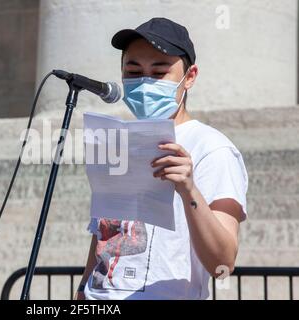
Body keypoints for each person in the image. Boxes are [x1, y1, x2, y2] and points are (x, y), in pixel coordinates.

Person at [76, 17, 248, 300]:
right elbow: (104, 236)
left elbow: (223, 265)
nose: (144, 82)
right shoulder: (116, 140)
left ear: (189, 77)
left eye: (159, 72)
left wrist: (188, 189)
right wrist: (81, 294)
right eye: (133, 71)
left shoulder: (212, 148)